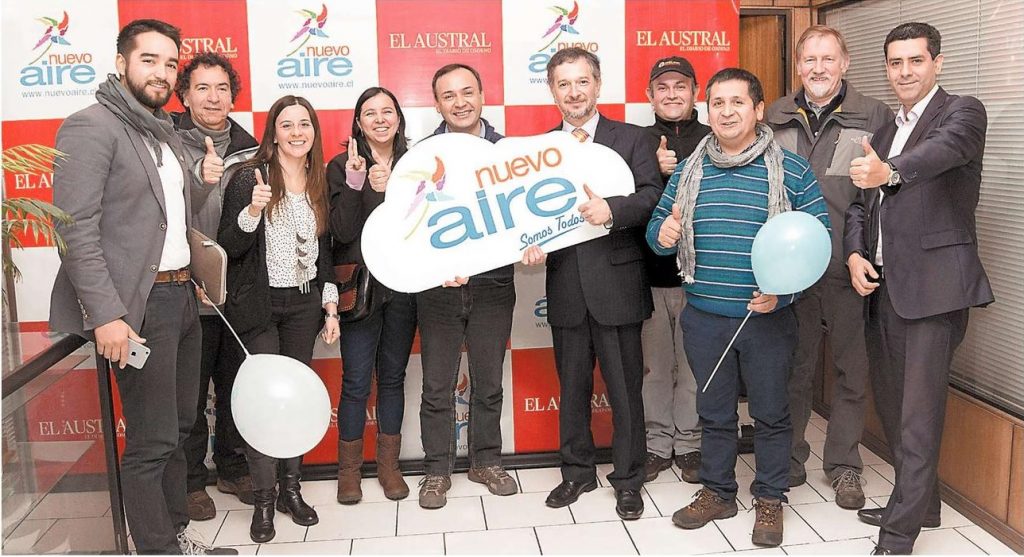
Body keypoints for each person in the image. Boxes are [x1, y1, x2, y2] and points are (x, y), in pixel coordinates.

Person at [48, 19, 236, 555]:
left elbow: (164, 218)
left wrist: (202, 186)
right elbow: (74, 231)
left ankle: (176, 535)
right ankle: (157, 549)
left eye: (170, 63)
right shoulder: (90, 127)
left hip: (181, 298)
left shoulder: (161, 130)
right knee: (152, 440)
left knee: (178, 430)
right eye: (148, 59)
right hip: (137, 307)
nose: (161, 72)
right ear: (121, 63)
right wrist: (107, 315)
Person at [648, 68, 830, 547]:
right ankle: (718, 491)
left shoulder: (792, 170)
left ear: (758, 109)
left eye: (737, 102)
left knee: (771, 414)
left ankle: (769, 497)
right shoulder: (689, 169)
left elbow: (819, 242)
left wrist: (784, 294)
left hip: (767, 318)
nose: (726, 112)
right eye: (718, 103)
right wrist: (663, 234)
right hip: (704, 318)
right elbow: (657, 233)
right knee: (713, 413)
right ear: (707, 110)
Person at [845, 22, 992, 555]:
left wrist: (889, 171)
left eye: (915, 60)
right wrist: (855, 252)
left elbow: (940, 154)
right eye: (895, 62)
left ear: (937, 62)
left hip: (935, 289)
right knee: (892, 405)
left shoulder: (962, 112)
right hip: (884, 288)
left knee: (918, 415)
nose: (904, 71)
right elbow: (859, 205)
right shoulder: (884, 130)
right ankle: (922, 504)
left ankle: (899, 534)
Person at [521, 47, 662, 521]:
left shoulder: (633, 138)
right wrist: (529, 244)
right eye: (564, 84)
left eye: (582, 81)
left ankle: (629, 479)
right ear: (552, 91)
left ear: (598, 85)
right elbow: (527, 215)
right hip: (565, 287)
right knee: (573, 390)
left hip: (618, 285)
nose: (574, 92)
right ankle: (577, 472)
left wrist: (612, 210)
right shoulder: (539, 150)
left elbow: (653, 196)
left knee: (625, 392)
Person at [764, 25, 892, 508]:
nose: (818, 68)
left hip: (848, 263)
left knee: (850, 369)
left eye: (828, 58)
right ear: (798, 65)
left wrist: (863, 253)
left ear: (845, 62)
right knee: (792, 368)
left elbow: (879, 196)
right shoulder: (774, 115)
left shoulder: (874, 115)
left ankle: (843, 465)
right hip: (790, 269)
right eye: (809, 59)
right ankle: (789, 457)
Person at [218, 95, 340, 543]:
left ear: (314, 131)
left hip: (304, 307)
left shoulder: (317, 180)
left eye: (304, 124)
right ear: (273, 132)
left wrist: (330, 306)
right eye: (286, 125)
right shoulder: (250, 176)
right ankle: (264, 500)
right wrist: (252, 211)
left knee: (295, 401)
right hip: (259, 308)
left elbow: (325, 252)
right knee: (265, 404)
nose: (296, 132)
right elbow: (228, 246)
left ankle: (291, 491)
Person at [415, 64, 518, 509]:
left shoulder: (509, 154)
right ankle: (436, 471)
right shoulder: (421, 156)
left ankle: (486, 461)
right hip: (438, 289)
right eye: (449, 95)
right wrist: (435, 265)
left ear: (482, 95)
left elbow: (523, 217)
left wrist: (533, 244)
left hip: (494, 284)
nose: (460, 102)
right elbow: (411, 226)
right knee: (437, 386)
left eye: (467, 92)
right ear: (437, 104)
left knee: (488, 381)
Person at [172, 51, 259, 521]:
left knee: (234, 388)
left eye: (222, 88)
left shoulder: (251, 149)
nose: (213, 97)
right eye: (202, 88)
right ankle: (190, 480)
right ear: (184, 96)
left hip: (238, 294)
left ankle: (232, 466)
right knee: (188, 395)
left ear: (233, 96)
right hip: (184, 290)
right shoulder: (163, 143)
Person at [326, 87, 417, 505]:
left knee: (393, 378)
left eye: (387, 111)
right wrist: (358, 183)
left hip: (404, 287)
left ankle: (388, 466)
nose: (380, 119)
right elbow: (342, 232)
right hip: (359, 290)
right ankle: (349, 472)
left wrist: (391, 188)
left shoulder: (417, 162)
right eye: (370, 113)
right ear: (358, 123)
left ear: (398, 117)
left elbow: (423, 225)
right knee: (357, 381)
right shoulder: (342, 165)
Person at [641, 56, 709, 484]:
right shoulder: (635, 142)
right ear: (649, 96)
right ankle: (655, 444)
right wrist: (654, 170)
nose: (671, 94)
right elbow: (626, 206)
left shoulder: (715, 138)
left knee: (694, 368)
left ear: (695, 92)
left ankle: (689, 444)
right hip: (648, 277)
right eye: (662, 87)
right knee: (654, 368)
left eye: (680, 86)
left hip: (702, 279)